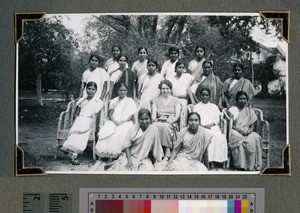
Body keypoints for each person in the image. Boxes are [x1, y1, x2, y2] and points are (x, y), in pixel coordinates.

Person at [60, 82, 104, 165]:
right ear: (86, 89)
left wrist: (92, 124)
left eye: (93, 89)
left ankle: (69, 149)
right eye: (89, 89)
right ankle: (71, 152)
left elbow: (97, 116)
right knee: (76, 131)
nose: (90, 91)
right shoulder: (82, 100)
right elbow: (77, 113)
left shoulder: (98, 102)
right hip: (79, 119)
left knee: (82, 134)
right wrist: (76, 119)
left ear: (96, 91)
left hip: (89, 120)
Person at [95, 83, 137, 161]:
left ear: (127, 91)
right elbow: (110, 114)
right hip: (114, 120)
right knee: (106, 130)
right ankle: (104, 153)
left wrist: (123, 121)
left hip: (126, 121)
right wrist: (114, 121)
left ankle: (113, 155)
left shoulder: (130, 100)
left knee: (120, 132)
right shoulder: (114, 101)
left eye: (124, 90)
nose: (123, 92)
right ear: (117, 91)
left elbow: (131, 115)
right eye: (121, 90)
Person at [193, 88, 228, 169]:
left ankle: (214, 160)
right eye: (203, 95)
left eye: (206, 95)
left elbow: (217, 119)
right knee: (206, 135)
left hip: (212, 126)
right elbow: (194, 117)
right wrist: (200, 125)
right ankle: (207, 160)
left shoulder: (214, 106)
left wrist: (212, 124)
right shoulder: (197, 107)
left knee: (217, 137)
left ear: (209, 96)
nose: (205, 97)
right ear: (200, 96)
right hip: (200, 126)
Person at [228, 91, 262, 171]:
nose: (242, 101)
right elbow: (231, 125)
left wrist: (249, 130)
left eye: (244, 99)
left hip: (247, 130)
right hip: (235, 130)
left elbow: (253, 124)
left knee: (254, 137)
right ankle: (242, 164)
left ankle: (251, 165)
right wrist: (240, 130)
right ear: (236, 100)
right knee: (238, 137)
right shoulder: (232, 110)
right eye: (240, 99)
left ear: (246, 100)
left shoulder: (249, 110)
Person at [151, 80, 181, 160]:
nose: (165, 91)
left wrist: (171, 120)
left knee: (165, 127)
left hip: (171, 122)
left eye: (167, 88)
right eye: (163, 89)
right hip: (159, 121)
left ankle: (167, 152)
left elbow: (177, 116)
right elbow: (153, 116)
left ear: (171, 89)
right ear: (160, 89)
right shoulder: (156, 101)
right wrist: (157, 119)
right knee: (154, 126)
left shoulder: (176, 100)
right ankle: (158, 153)